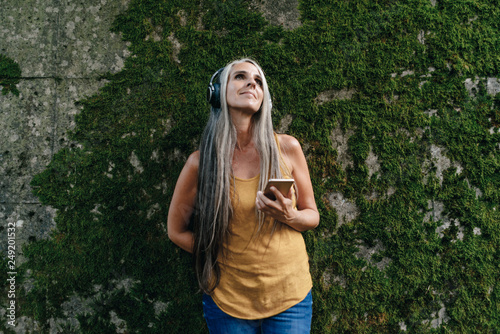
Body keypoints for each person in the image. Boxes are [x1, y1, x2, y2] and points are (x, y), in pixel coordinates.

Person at [167, 58, 319, 333]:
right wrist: (216, 256)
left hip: (289, 295)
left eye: (258, 81)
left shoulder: (287, 148)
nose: (251, 82)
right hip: (228, 299)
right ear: (217, 92)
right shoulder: (200, 164)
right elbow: (176, 231)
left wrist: (290, 215)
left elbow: (312, 216)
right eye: (240, 77)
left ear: (264, 99)